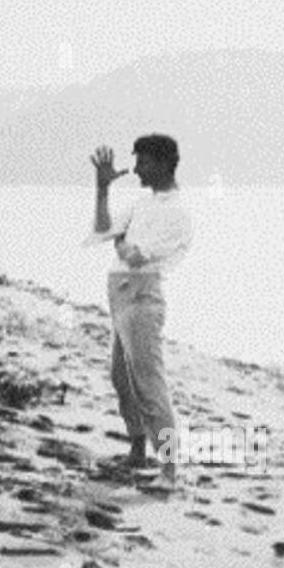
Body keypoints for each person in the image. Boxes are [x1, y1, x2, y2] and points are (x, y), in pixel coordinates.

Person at [89, 136, 193, 492]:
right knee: (121, 378)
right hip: (121, 296)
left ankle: (169, 471)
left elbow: (134, 256)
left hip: (142, 297)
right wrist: (102, 189)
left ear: (164, 164)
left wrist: (121, 243)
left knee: (149, 385)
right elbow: (102, 231)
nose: (136, 170)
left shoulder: (177, 212)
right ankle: (137, 450)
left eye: (143, 162)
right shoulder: (141, 203)